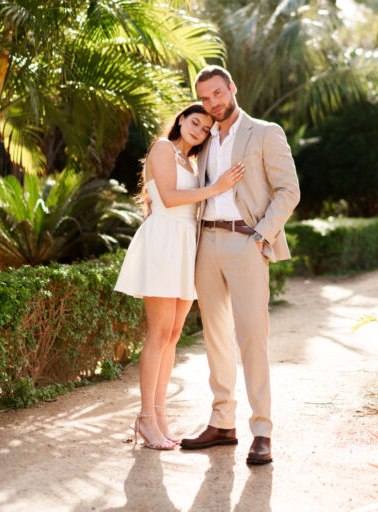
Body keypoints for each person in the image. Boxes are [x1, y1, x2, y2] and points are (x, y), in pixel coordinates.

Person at [180, 66, 300, 465]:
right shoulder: (204, 137)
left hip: (246, 241)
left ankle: (262, 430)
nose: (213, 102)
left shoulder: (265, 132)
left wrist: (261, 234)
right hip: (207, 243)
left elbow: (289, 190)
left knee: (252, 336)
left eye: (218, 93)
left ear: (233, 87)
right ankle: (222, 423)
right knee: (214, 336)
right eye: (206, 97)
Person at [114, 104, 246, 450]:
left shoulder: (192, 163)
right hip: (164, 241)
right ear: (181, 120)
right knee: (158, 333)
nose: (199, 130)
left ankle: (159, 415)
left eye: (205, 128)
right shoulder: (162, 148)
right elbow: (170, 199)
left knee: (173, 335)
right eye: (194, 122)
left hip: (188, 244)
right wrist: (215, 188)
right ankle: (145, 416)